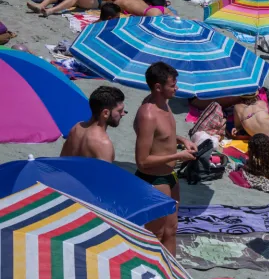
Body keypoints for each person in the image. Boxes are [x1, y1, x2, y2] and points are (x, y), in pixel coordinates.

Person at [133, 62, 197, 255]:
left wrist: (182, 140)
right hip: (153, 180)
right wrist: (179, 156)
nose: (176, 88)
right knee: (155, 234)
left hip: (170, 176)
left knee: (171, 231)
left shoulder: (165, 104)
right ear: (158, 87)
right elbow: (142, 161)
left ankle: (171, 276)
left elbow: (162, 135)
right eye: (172, 85)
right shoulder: (148, 114)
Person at [61, 86, 125, 162]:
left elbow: (61, 160)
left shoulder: (76, 127)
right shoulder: (103, 144)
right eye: (120, 111)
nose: (123, 114)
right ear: (105, 113)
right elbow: (105, 173)